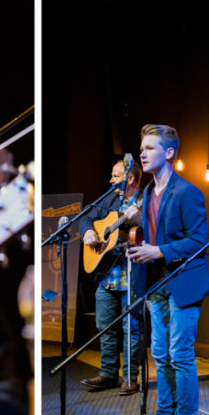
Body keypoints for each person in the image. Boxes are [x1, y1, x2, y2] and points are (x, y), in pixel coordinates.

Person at [121, 124, 209, 415]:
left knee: (180, 354)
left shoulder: (187, 192)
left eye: (149, 148)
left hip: (183, 282)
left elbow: (199, 241)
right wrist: (138, 230)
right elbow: (154, 233)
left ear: (169, 153)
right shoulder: (147, 194)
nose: (142, 153)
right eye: (141, 147)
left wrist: (157, 251)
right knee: (160, 355)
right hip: (157, 283)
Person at [77, 159, 145, 395]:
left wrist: (140, 219)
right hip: (107, 275)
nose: (111, 180)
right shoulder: (110, 199)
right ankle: (108, 374)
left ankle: (130, 377)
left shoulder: (145, 200)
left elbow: (157, 228)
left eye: (115, 176)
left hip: (131, 274)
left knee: (131, 328)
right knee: (106, 327)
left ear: (131, 179)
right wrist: (87, 231)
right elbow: (85, 215)